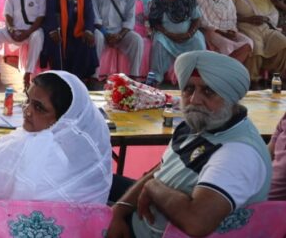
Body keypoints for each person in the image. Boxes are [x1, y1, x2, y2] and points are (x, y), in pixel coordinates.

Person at [107, 51, 271, 238]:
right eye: (189, 89)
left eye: (208, 91)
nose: (194, 100)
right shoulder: (199, 124)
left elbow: (196, 222)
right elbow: (162, 169)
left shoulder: (237, 154)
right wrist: (119, 210)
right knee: (97, 183)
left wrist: (152, 187)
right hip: (144, 218)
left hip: (150, 233)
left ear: (231, 98)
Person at [0, 71, 111, 213]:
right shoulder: (82, 156)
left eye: (39, 108)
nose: (27, 110)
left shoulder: (38, 147)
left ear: (64, 119)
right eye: (28, 100)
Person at [41, 0, 99, 81]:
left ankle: (79, 78)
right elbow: (50, 12)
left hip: (79, 30)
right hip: (59, 29)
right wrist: (52, 30)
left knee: (86, 41)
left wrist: (88, 30)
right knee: (55, 43)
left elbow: (89, 12)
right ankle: (60, 79)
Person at [146, 0, 206, 87]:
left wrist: (189, 34)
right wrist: (169, 34)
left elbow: (196, 19)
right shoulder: (158, 0)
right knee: (158, 42)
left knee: (198, 41)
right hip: (166, 35)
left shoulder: (188, 0)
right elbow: (154, 22)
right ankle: (156, 77)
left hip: (187, 35)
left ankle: (199, 76)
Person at [231, 0, 286, 87]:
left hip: (265, 27)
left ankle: (278, 76)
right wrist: (248, 19)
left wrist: (265, 19)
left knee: (282, 42)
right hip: (245, 26)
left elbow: (273, 14)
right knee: (256, 46)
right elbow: (229, 14)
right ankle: (251, 80)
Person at [92, 0, 144, 77]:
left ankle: (134, 76)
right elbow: (95, 17)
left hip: (120, 32)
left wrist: (119, 35)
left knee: (137, 40)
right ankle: (93, 76)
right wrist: (106, 35)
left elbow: (130, 18)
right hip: (102, 31)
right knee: (97, 37)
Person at [196, 0, 253, 66]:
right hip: (209, 30)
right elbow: (202, 21)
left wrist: (232, 30)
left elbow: (232, 17)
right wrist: (222, 32)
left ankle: (232, 66)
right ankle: (224, 68)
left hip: (227, 29)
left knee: (248, 42)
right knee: (226, 44)